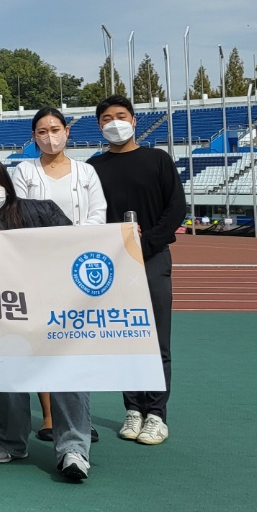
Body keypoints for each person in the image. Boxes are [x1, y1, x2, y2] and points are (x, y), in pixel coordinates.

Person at [0, 156, 94, 482]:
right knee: (7, 374)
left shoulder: (40, 210)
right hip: (8, 316)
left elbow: (72, 244)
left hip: (53, 309)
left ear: (6, 185)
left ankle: (73, 449)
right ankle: (12, 441)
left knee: (66, 373)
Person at [6, 106, 110, 441]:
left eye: (55, 130)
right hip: (37, 264)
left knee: (75, 342)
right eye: (42, 132)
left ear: (67, 131)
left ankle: (80, 419)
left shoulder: (86, 172)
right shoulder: (25, 170)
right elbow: (19, 212)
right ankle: (50, 417)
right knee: (43, 339)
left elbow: (98, 213)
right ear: (33, 137)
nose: (49, 137)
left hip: (77, 264)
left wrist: (72, 240)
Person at [88, 95, 185, 447]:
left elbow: (176, 208)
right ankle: (133, 409)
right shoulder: (93, 167)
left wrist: (146, 244)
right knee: (125, 336)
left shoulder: (158, 160)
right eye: (106, 118)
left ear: (134, 120)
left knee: (157, 340)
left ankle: (156, 414)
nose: (114, 123)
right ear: (99, 125)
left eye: (120, 116)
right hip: (112, 262)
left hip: (152, 257)